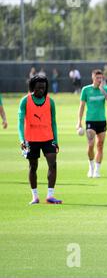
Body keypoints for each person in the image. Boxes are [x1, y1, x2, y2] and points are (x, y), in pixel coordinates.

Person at [18, 75, 62, 205]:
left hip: (48, 138)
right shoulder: (25, 101)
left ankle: (50, 196)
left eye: (43, 88)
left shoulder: (50, 102)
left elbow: (53, 122)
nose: (41, 90)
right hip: (31, 139)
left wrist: (56, 140)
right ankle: (35, 197)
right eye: (38, 88)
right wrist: (22, 140)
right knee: (33, 167)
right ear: (32, 88)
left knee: (53, 164)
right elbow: (20, 122)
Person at [76, 69, 107, 178]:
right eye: (97, 78)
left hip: (102, 121)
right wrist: (79, 122)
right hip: (90, 121)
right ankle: (91, 167)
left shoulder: (105, 89)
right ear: (93, 78)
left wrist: (102, 90)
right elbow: (81, 106)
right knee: (91, 145)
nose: (99, 80)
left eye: (101, 78)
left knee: (100, 145)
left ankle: (97, 170)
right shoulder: (86, 90)